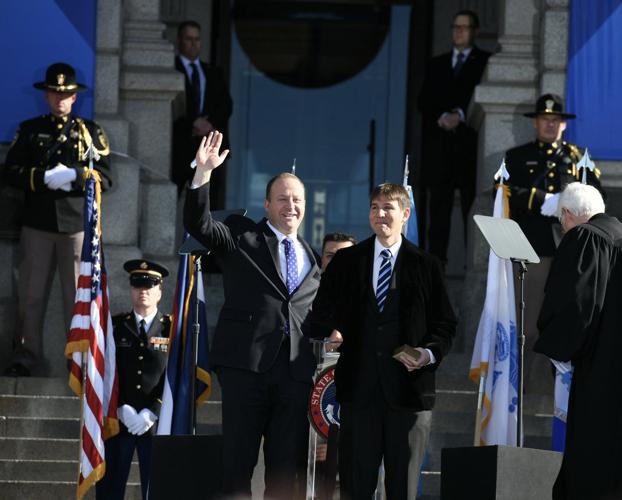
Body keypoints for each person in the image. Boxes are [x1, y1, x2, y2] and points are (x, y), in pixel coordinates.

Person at [183, 131, 321, 498]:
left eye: (297, 199)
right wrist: (203, 175)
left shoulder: (315, 258)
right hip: (246, 369)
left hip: (295, 374)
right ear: (266, 204)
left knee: (284, 471)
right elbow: (199, 225)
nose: (291, 206)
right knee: (237, 465)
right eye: (282, 199)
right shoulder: (241, 237)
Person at [310, 183, 456, 499]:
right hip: (359, 394)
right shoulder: (347, 262)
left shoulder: (427, 265)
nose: (380, 214)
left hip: (408, 396)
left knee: (401, 489)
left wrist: (427, 354)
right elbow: (321, 314)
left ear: (405, 214)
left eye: (388, 208)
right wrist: (332, 328)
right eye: (375, 207)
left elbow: (445, 324)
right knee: (355, 487)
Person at [2, 62, 111, 377]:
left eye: (65, 94)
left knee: (76, 296)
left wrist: (76, 175)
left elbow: (107, 176)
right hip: (37, 224)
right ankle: (25, 355)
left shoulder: (90, 132)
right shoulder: (31, 129)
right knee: (31, 295)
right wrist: (41, 178)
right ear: (47, 95)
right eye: (54, 93)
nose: (59, 99)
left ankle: (78, 358)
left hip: (75, 226)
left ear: (75, 97)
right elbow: (11, 172)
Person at [504, 93, 603, 397]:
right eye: (544, 120)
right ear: (536, 123)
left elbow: (596, 196)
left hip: (572, 251)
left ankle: (557, 390)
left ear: (563, 124)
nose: (550, 125)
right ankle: (522, 390)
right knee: (530, 324)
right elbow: (503, 191)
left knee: (567, 318)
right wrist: (540, 201)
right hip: (534, 250)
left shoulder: (577, 158)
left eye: (555, 120)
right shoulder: (518, 156)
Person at [534, 182, 621, 500]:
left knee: (591, 456)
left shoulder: (585, 237)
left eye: (562, 221)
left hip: (599, 368)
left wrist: (558, 345)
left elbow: (577, 304)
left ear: (568, 214)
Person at [418, 9, 491, 264]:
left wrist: (460, 114)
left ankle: (473, 268)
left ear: (475, 31)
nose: (458, 32)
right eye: (455, 27)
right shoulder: (436, 63)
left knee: (471, 214)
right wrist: (441, 116)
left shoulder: (486, 61)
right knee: (437, 219)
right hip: (439, 153)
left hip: (469, 152)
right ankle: (435, 271)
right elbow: (424, 101)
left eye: (464, 27)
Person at [96, 259, 171, 500]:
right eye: (138, 285)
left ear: (160, 292)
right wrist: (119, 406)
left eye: (150, 285)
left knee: (158, 488)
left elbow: (175, 374)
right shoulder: (115, 327)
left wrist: (154, 409)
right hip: (120, 420)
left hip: (156, 424)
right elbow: (106, 370)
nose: (144, 291)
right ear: (131, 289)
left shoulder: (171, 329)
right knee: (110, 487)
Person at [172, 20, 233, 207]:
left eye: (197, 39)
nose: (193, 44)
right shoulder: (172, 68)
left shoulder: (213, 72)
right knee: (171, 201)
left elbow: (226, 104)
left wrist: (209, 124)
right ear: (180, 41)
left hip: (210, 147)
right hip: (180, 146)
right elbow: (172, 106)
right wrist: (193, 123)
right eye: (189, 39)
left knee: (208, 204)